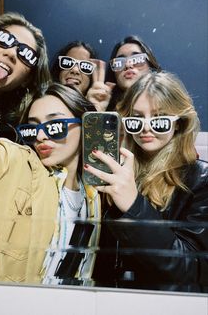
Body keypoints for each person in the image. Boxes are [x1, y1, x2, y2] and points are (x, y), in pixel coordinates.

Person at [85, 71, 208, 292]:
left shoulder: (201, 179)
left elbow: (192, 270)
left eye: (159, 120)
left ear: (179, 123)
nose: (146, 128)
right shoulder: (118, 170)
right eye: (136, 120)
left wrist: (134, 205)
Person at [0, 83, 100, 285]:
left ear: (86, 124)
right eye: (32, 129)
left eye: (55, 126)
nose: (40, 136)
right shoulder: (18, 164)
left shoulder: (95, 193)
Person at [0, 12, 51, 140]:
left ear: (27, 79)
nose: (11, 53)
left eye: (26, 55)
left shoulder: (19, 127)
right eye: (4, 38)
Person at [87, 35, 161, 112]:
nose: (128, 65)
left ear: (150, 65)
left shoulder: (169, 102)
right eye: (119, 62)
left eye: (137, 59)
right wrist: (96, 113)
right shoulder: (105, 108)